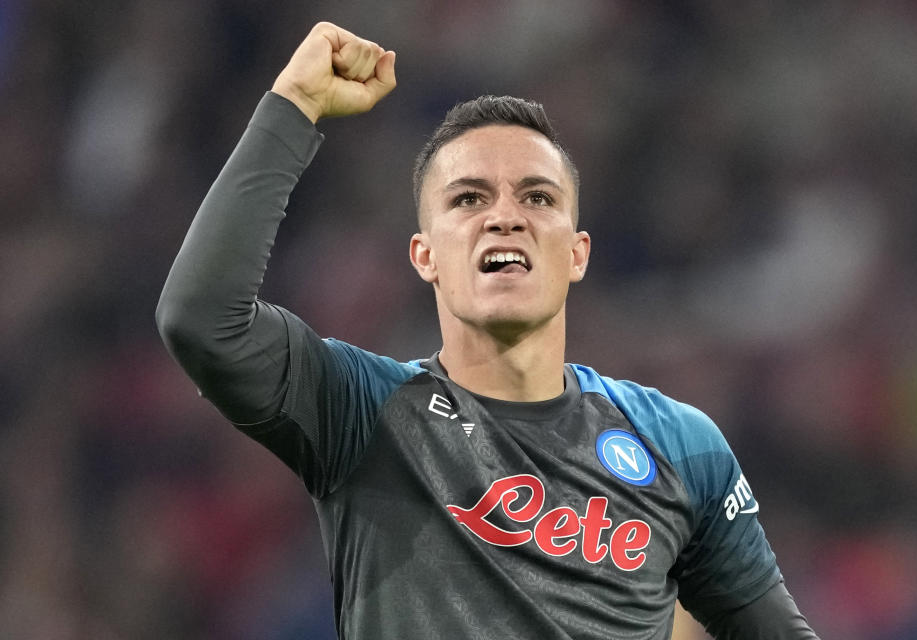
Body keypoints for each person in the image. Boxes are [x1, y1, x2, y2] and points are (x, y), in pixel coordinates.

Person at [157, 21, 819, 640]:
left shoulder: (681, 445)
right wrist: (292, 104)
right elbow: (202, 320)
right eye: (469, 198)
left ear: (578, 252)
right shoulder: (365, 411)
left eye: (537, 197)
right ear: (426, 256)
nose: (505, 217)